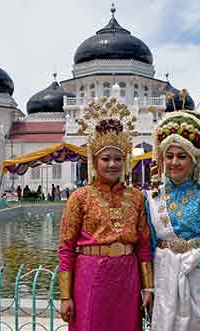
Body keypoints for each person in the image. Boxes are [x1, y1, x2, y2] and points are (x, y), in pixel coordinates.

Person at [58, 96, 153, 331]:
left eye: (118, 159)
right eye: (106, 159)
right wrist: (65, 296)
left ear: (126, 161)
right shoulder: (79, 198)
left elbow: (143, 245)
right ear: (94, 161)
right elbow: (66, 248)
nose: (112, 164)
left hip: (127, 276)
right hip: (90, 274)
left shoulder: (137, 197)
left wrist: (148, 286)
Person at [146, 104, 200, 331]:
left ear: (194, 159)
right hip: (164, 275)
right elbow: (149, 244)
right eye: (169, 156)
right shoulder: (152, 196)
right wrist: (148, 288)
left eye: (182, 156)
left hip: (197, 276)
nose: (174, 162)